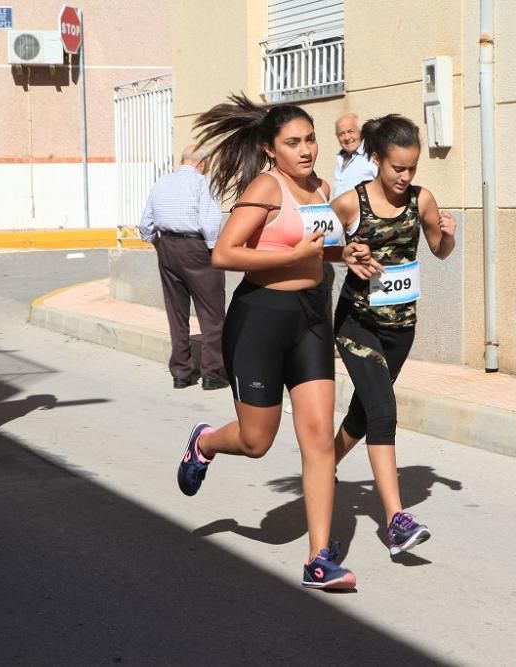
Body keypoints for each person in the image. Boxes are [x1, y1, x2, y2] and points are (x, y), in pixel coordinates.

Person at [175, 94, 356, 590]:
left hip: (310, 320)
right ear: (270, 149)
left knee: (319, 438)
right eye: (293, 142)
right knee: (257, 441)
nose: (306, 150)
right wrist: (292, 256)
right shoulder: (266, 187)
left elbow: (318, 250)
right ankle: (205, 442)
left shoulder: (321, 187)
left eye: (310, 139)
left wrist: (347, 253)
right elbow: (225, 255)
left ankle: (319, 558)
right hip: (260, 319)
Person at [331, 114, 457, 556]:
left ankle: (321, 465)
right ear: (376, 160)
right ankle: (397, 522)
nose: (405, 177)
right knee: (383, 413)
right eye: (396, 168)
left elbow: (439, 250)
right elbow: (318, 245)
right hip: (356, 322)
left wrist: (447, 237)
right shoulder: (350, 203)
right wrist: (344, 252)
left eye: (412, 169)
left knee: (363, 414)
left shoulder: (421, 200)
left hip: (401, 327)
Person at [138, 145, 229, 390]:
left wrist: (157, 243)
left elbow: (145, 223)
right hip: (197, 248)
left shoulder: (162, 182)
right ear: (202, 163)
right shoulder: (203, 183)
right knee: (211, 313)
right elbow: (209, 223)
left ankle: (181, 372)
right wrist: (213, 251)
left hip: (167, 246)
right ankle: (212, 373)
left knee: (176, 312)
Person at [331, 112, 377, 201]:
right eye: (342, 134)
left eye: (350, 131)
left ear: (360, 132)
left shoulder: (371, 157)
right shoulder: (340, 158)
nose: (347, 137)